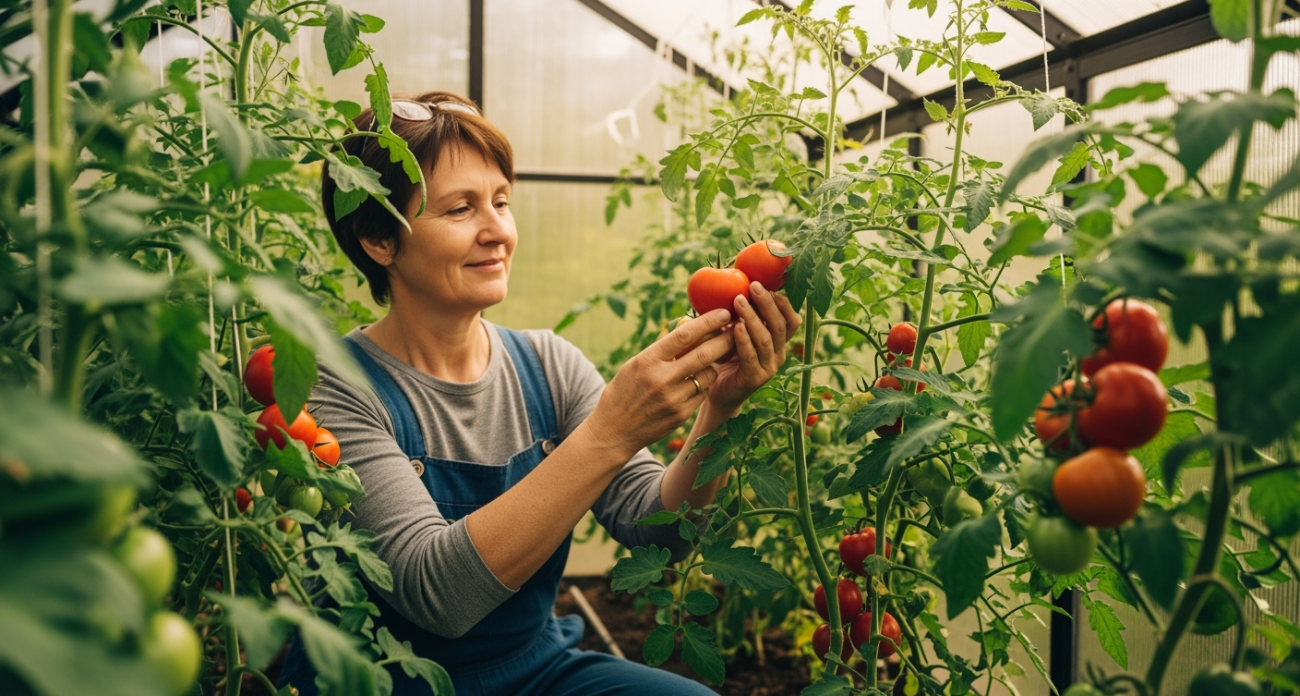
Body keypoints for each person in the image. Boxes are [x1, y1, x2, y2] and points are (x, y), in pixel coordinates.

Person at [276, 90, 801, 696]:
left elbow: (662, 530)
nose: (496, 230)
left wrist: (722, 405)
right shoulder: (331, 385)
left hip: (534, 669)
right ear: (379, 240)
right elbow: (434, 593)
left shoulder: (548, 365)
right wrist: (610, 432)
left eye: (501, 202)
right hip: (379, 681)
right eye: (459, 210)